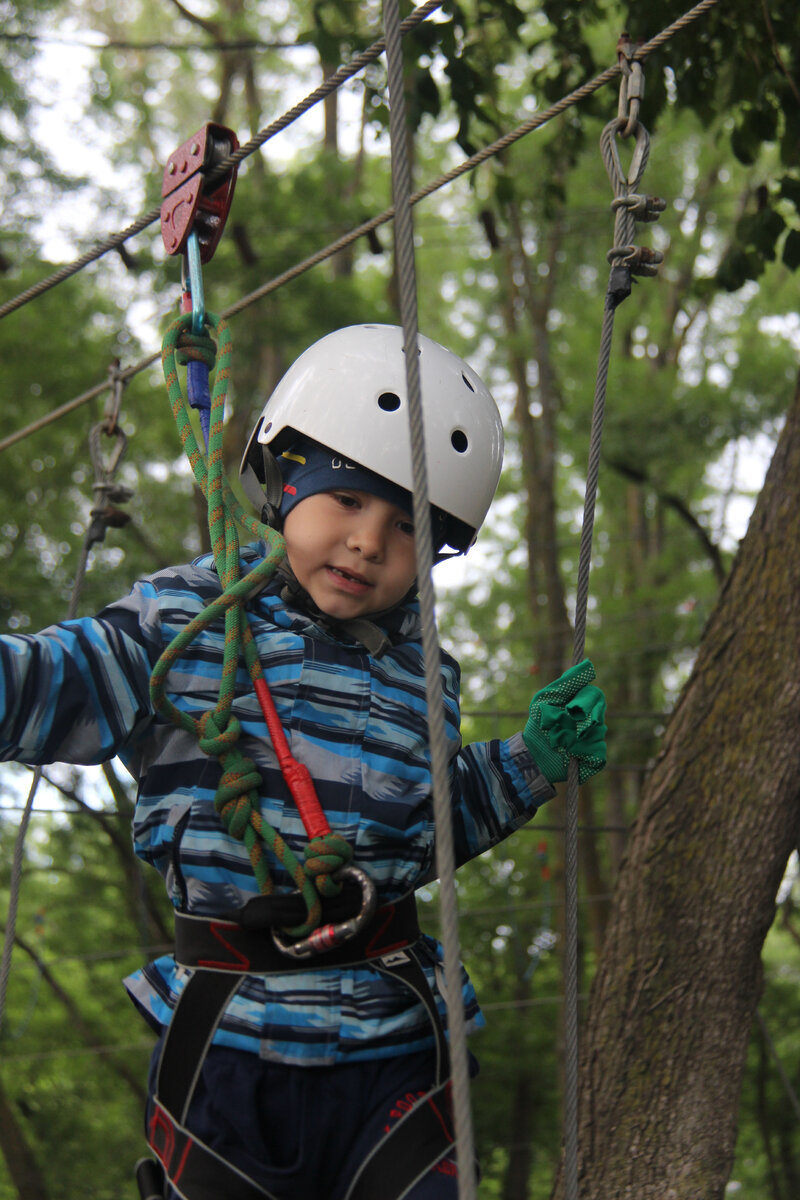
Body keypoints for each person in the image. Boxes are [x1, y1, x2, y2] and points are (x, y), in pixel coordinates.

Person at [0, 324, 607, 1200]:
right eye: (348, 500)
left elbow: (430, 824)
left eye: (407, 527)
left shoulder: (426, 673)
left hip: (393, 1053)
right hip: (234, 1051)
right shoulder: (189, 620)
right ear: (284, 481)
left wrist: (529, 763)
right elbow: (62, 680)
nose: (368, 543)